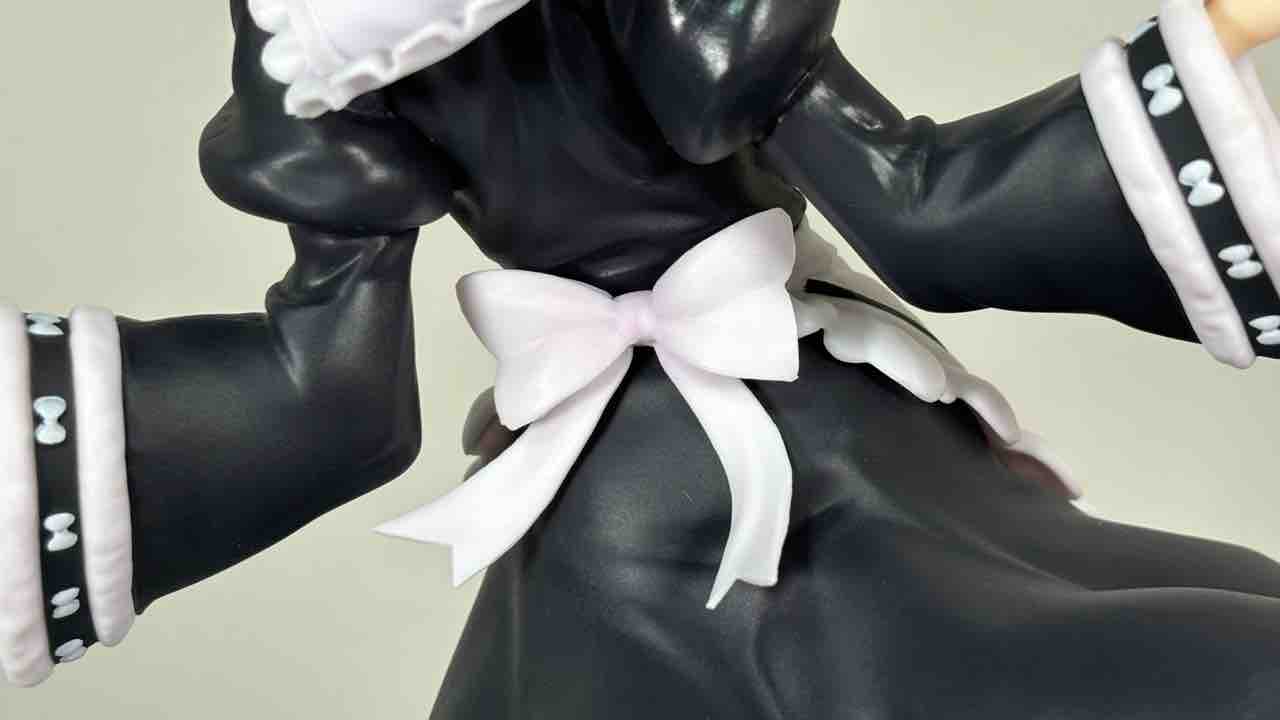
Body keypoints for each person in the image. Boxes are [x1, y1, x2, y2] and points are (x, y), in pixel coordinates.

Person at [4, 0, 1280, 716]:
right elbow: (920, 208)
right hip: (780, 474)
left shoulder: (324, 43)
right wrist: (1210, 42)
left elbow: (334, 402)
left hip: (622, 510)